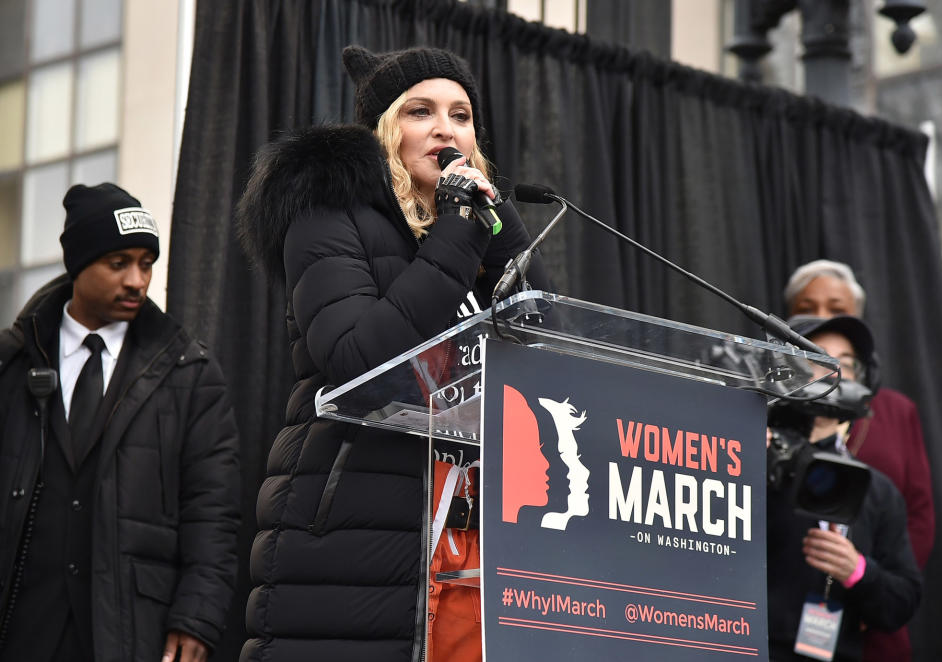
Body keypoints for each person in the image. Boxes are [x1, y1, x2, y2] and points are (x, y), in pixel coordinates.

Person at [235, 45, 547, 661]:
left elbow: (541, 365)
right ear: (382, 131)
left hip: (468, 528)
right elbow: (358, 356)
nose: (444, 128)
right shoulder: (330, 215)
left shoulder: (471, 228)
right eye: (420, 111)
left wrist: (497, 230)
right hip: (358, 521)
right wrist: (461, 231)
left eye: (461, 115)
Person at [0, 183, 241, 662]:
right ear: (78, 265)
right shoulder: (11, 364)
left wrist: (196, 618)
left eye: (146, 264)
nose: (137, 280)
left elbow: (213, 511)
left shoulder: (189, 372)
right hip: (22, 626)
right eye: (118, 264)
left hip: (132, 629)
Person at [784, 259, 934, 660]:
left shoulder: (879, 491)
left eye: (844, 364)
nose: (832, 373)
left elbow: (903, 595)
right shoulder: (751, 457)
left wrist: (859, 572)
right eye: (818, 359)